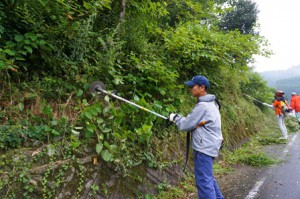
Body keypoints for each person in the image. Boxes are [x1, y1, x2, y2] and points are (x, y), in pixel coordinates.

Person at [168, 75, 224, 199]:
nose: (190, 89)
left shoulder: (203, 106)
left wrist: (175, 118)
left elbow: (186, 125)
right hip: (211, 145)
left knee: (204, 181)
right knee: (208, 178)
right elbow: (194, 122)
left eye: (192, 86)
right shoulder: (212, 103)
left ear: (202, 87)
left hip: (204, 147)